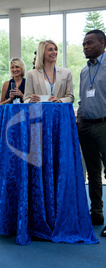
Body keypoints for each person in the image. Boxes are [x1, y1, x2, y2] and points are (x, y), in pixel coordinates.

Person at [76, 29, 106, 237]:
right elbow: (82, 98)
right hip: (85, 126)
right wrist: (79, 119)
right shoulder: (84, 71)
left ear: (102, 44)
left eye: (89, 43)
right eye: (84, 43)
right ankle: (96, 213)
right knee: (93, 173)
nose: (85, 46)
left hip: (104, 125)